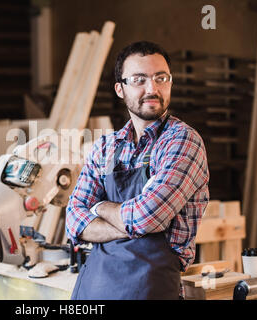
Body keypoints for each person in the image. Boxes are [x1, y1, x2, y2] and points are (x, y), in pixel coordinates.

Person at [65, 41, 210, 300]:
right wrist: (132, 226)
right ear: (120, 89)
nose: (152, 88)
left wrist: (99, 208)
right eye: (139, 79)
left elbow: (147, 217)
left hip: (150, 287)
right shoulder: (105, 147)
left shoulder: (182, 141)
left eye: (160, 78)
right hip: (93, 290)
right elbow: (74, 220)